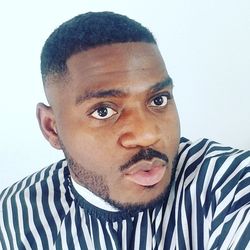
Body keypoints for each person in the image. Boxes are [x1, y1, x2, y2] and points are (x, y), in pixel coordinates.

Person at [0, 11, 249, 250]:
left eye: (159, 100)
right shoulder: (12, 218)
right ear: (52, 128)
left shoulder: (229, 185)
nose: (147, 134)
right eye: (103, 111)